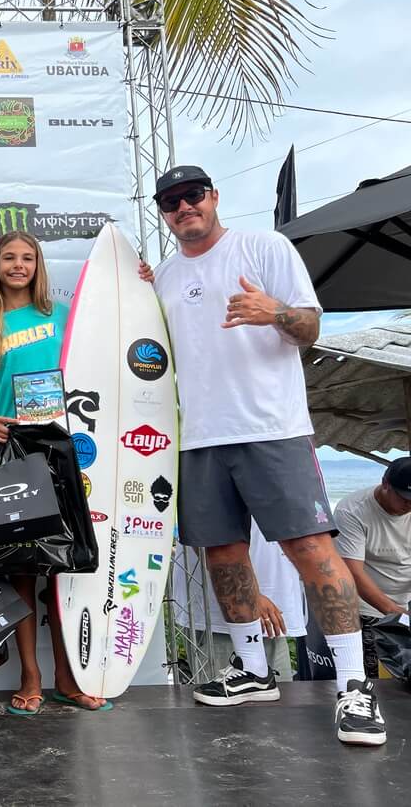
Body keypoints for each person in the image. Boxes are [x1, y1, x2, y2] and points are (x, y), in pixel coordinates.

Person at [142, 164, 387, 746]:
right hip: (199, 436)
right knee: (223, 555)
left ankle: (354, 686)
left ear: (214, 196)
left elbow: (310, 326)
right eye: (171, 200)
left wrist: (272, 312)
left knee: (309, 548)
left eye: (193, 195)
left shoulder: (265, 247)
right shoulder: (168, 277)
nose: (183, 207)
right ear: (164, 211)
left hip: (270, 428)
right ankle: (254, 671)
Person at [0, 231, 108, 714]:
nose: (19, 265)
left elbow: (101, 364)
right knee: (24, 569)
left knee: (65, 570)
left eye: (28, 257)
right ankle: (31, 674)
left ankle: (69, 677)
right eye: (9, 257)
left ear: (38, 265)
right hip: (13, 454)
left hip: (65, 452)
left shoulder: (62, 317)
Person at [172, 520, 306, 682]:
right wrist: (250, 597)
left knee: (280, 700)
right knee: (229, 701)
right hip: (223, 619)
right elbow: (203, 529)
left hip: (274, 614)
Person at [333, 456, 411, 678]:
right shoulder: (352, 510)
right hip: (366, 608)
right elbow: (353, 572)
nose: (409, 505)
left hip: (405, 602)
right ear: (385, 483)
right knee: (373, 679)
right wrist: (395, 613)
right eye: (405, 498)